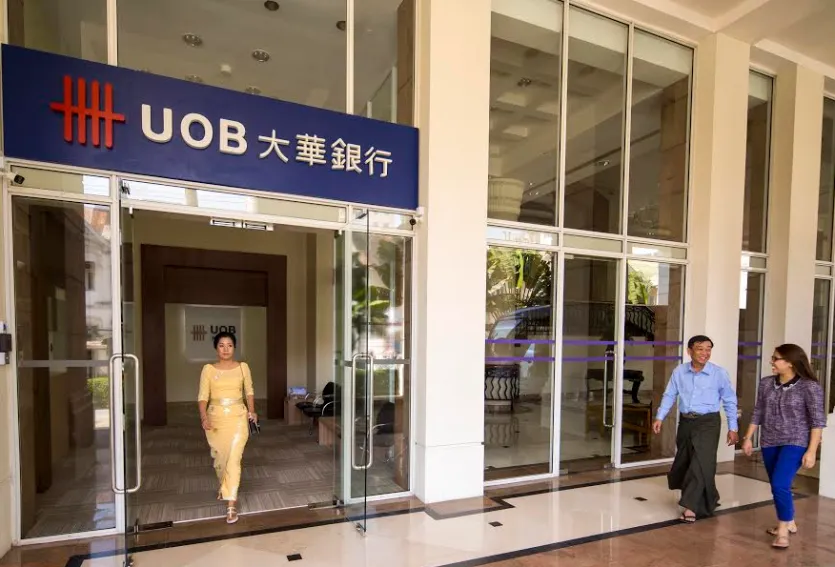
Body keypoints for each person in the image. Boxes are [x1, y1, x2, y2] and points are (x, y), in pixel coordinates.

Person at [741, 344, 826, 550]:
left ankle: (782, 531)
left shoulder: (809, 387)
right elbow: (758, 411)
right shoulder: (766, 383)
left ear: (790, 362)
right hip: (769, 441)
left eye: (776, 358)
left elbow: (817, 421)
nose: (772, 362)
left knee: (779, 484)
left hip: (796, 441)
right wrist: (748, 437)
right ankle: (790, 521)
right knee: (778, 485)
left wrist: (811, 451)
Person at [652, 335, 739, 522]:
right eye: (700, 349)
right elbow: (669, 395)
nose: (705, 353)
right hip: (686, 423)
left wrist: (733, 427)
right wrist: (660, 417)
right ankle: (710, 496)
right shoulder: (679, 372)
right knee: (686, 461)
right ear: (689, 351)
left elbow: (730, 401)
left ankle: (690, 506)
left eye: (708, 349)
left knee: (701, 463)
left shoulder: (719, 374)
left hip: (708, 423)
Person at [197, 332, 257, 524]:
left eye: (229, 345)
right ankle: (225, 485)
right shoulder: (208, 369)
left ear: (234, 348)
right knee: (220, 460)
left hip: (238, 417)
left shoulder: (243, 367)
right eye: (221, 345)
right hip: (215, 418)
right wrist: (204, 417)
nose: (225, 349)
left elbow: (249, 391)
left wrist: (252, 411)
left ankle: (231, 504)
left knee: (234, 459)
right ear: (216, 348)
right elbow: (202, 396)